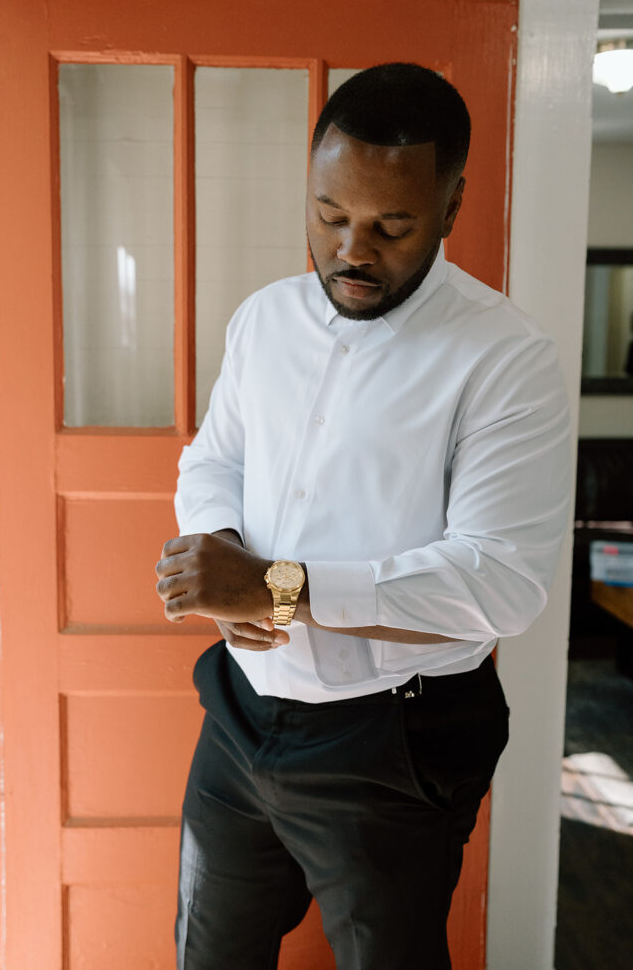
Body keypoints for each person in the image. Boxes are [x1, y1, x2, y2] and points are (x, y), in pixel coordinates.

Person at [155, 63, 571, 970]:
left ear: (452, 207)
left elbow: (500, 584)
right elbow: (213, 456)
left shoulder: (506, 361)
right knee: (207, 953)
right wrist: (224, 546)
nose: (352, 250)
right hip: (240, 711)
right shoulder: (263, 320)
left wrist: (274, 588)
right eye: (330, 216)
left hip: (393, 739)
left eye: (391, 226)